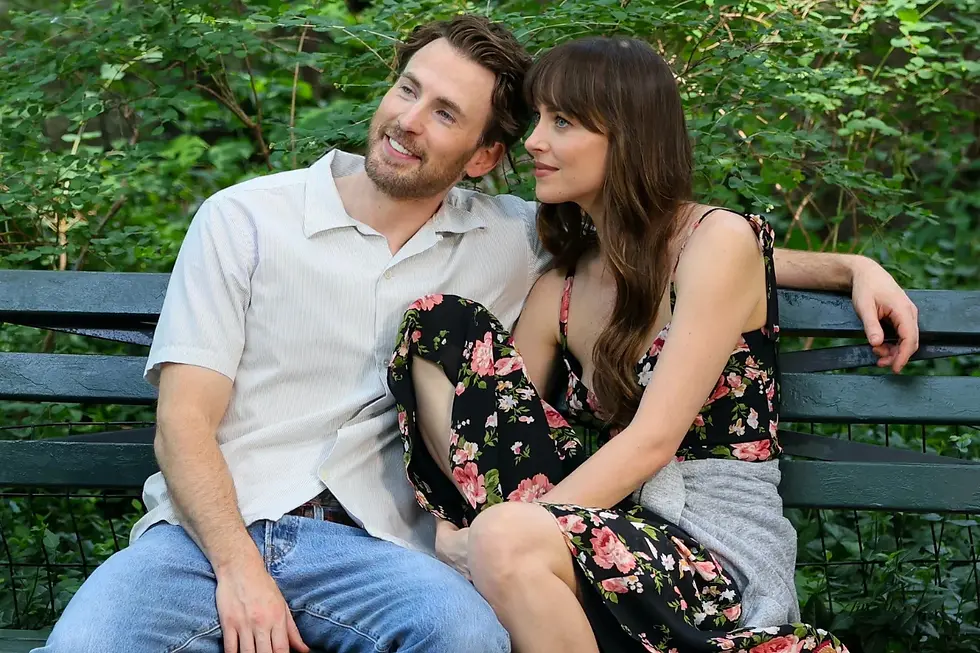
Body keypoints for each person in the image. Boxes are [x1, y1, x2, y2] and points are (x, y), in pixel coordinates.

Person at [35, 16, 917, 653]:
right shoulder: (249, 219)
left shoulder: (526, 236)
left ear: (483, 156)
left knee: (465, 628)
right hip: (215, 533)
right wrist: (241, 568)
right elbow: (184, 423)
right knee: (441, 326)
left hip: (400, 543)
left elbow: (688, 248)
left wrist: (847, 267)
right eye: (407, 89)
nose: (408, 121)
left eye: (447, 114)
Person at [386, 37, 885, 653]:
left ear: (627, 136)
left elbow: (653, 440)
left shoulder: (718, 242)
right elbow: (498, 431)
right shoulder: (561, 288)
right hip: (598, 525)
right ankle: (496, 552)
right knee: (439, 324)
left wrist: (851, 266)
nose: (534, 141)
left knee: (504, 539)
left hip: (712, 553)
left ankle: (499, 553)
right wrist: (461, 523)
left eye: (562, 122)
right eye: (538, 119)